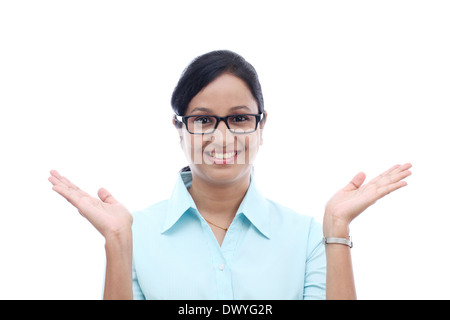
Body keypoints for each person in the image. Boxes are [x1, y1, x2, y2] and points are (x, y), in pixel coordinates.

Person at [48, 50, 412, 300]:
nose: (222, 138)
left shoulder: (307, 237)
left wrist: (336, 230)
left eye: (239, 118)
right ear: (179, 128)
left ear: (261, 124)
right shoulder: (133, 234)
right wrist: (116, 243)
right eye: (203, 119)